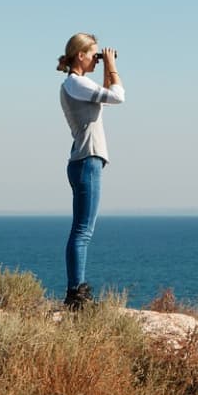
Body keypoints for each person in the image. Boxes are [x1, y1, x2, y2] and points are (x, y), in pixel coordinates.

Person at [56, 32, 124, 309]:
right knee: (83, 231)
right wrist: (112, 65)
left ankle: (76, 291)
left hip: (83, 161)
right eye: (94, 55)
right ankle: (76, 294)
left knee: (81, 230)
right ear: (80, 55)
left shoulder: (76, 85)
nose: (97, 59)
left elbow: (105, 97)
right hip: (87, 160)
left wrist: (106, 67)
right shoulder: (76, 83)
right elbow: (118, 96)